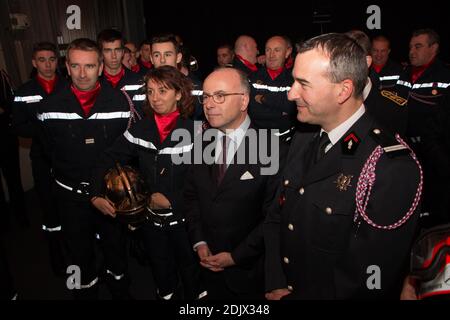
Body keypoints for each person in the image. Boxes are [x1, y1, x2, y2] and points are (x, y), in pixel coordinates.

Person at [264, 33, 422, 300]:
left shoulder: (391, 165)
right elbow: (277, 218)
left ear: (343, 90)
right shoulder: (304, 137)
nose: (291, 94)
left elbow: (365, 278)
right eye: (293, 81)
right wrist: (274, 280)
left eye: (303, 84)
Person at [37, 38, 140, 299]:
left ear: (101, 66)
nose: (83, 74)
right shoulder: (49, 107)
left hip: (109, 196)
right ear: (67, 67)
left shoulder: (119, 103)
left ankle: (120, 291)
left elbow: (125, 152)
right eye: (76, 66)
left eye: (90, 66)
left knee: (116, 251)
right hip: (71, 198)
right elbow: (48, 150)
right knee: (79, 255)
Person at [91, 65, 203, 300]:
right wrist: (95, 193)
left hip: (187, 225)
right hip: (151, 225)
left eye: (162, 91)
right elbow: (107, 159)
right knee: (163, 279)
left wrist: (172, 200)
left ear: (179, 94)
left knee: (193, 277)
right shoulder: (139, 129)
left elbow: (206, 184)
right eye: (150, 92)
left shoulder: (198, 132)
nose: (155, 98)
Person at [184, 67, 284, 299]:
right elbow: (191, 197)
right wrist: (199, 241)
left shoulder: (273, 150)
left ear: (243, 101)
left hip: (251, 275)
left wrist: (236, 256)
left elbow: (274, 217)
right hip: (206, 267)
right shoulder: (201, 143)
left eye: (219, 96)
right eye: (206, 96)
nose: (208, 104)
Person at [12, 42, 68, 275]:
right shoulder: (23, 92)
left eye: (51, 59)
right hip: (42, 158)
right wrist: (46, 126)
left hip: (69, 157)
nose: (47, 64)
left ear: (58, 61)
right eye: (42, 60)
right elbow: (19, 126)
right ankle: (57, 257)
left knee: (73, 207)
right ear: (34, 63)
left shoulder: (69, 85)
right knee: (49, 208)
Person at [395, 28, 450, 227]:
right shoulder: (404, 73)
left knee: (434, 209)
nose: (412, 51)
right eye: (410, 47)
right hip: (405, 150)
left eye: (418, 46)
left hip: (434, 158)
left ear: (433, 48)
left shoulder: (445, 76)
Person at [346, 30, 407, 136]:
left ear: (388, 51)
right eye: (375, 50)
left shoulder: (399, 71)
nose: (379, 55)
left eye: (382, 51)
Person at [248, 35, 297, 141]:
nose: (271, 55)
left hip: (286, 141)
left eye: (277, 50)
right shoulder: (253, 77)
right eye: (268, 50)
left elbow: (290, 109)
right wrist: (280, 111)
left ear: (287, 53)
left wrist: (262, 99)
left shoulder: (294, 79)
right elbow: (253, 111)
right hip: (257, 141)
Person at [151, 34, 204, 120]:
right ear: (151, 59)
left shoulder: (195, 87)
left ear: (178, 58)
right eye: (157, 55)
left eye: (167, 55)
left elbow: (199, 124)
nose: (162, 60)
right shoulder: (143, 90)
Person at [97, 29, 145, 107]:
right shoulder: (92, 83)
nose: (114, 56)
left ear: (123, 52)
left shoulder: (138, 81)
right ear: (101, 53)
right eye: (108, 51)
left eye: (117, 50)